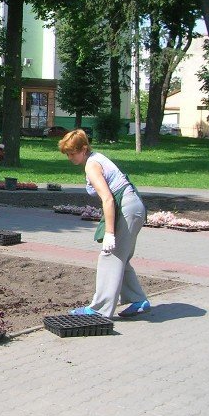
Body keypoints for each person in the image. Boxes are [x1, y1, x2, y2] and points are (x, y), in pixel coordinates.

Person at [58, 129, 151, 318]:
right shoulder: (96, 158)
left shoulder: (92, 166)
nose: (70, 157)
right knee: (120, 257)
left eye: (72, 153)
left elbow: (107, 199)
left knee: (110, 256)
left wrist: (109, 234)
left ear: (84, 149)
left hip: (126, 208)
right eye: (67, 154)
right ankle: (138, 300)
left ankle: (99, 309)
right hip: (132, 206)